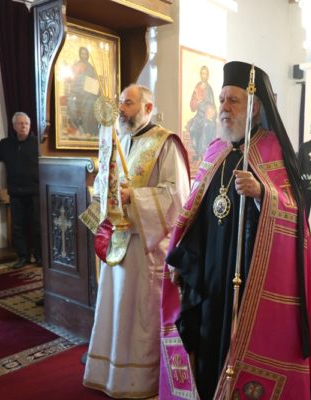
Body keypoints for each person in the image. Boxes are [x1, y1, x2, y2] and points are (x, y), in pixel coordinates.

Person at [160, 62, 311, 400]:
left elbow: (294, 213)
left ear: (255, 106)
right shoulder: (216, 149)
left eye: (233, 100)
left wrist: (263, 194)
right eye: (221, 100)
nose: (224, 108)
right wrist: (181, 257)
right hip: (210, 268)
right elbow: (194, 209)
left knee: (240, 332)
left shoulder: (274, 149)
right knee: (208, 329)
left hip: (251, 270)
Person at [83, 84, 190, 398]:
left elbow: (177, 195)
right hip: (118, 239)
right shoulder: (119, 139)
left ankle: (142, 380)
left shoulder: (165, 143)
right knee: (115, 308)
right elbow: (104, 182)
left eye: (128, 103)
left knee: (140, 314)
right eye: (120, 103)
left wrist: (135, 197)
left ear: (148, 107)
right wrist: (104, 196)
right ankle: (110, 371)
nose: (122, 109)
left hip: (146, 245)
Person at [0, 112, 41, 270]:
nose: (24, 126)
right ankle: (23, 257)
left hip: (36, 192)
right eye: (20, 123)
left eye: (26, 123)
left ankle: (40, 256)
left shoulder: (38, 143)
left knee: (38, 226)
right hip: (16, 193)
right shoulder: (6, 144)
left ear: (30, 125)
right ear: (14, 126)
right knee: (18, 227)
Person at [67, 46, 100, 137]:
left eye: (86, 54)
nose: (84, 56)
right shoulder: (75, 66)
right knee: (71, 104)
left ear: (88, 55)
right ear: (80, 54)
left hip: (88, 95)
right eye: (82, 53)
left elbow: (94, 84)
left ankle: (88, 130)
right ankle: (76, 130)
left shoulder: (91, 68)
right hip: (76, 93)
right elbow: (71, 81)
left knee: (90, 104)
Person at [187, 65, 217, 160]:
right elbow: (193, 103)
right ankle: (197, 153)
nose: (203, 75)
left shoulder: (209, 89)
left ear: (207, 75)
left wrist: (208, 111)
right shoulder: (197, 87)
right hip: (199, 116)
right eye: (202, 73)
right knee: (192, 129)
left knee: (206, 127)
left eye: (205, 74)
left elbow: (212, 105)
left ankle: (203, 154)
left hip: (207, 116)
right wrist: (196, 102)